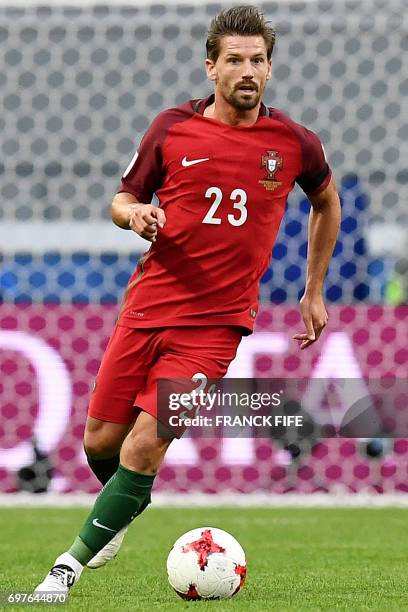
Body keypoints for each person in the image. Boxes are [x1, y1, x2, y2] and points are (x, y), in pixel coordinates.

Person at [35, 5, 340, 594]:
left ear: (270, 70)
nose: (246, 71)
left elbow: (326, 203)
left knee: (146, 444)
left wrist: (314, 288)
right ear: (211, 67)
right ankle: (120, 508)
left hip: (216, 327)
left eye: (257, 61)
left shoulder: (295, 144)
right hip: (148, 307)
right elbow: (122, 199)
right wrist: (137, 216)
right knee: (101, 443)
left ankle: (63, 571)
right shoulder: (172, 129)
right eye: (234, 60)